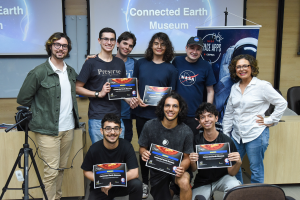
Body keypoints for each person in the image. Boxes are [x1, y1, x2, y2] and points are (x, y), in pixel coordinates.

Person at [17, 32, 80, 200]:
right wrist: (40, 112)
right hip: (47, 130)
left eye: (64, 46)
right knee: (51, 172)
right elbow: (23, 99)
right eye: (57, 45)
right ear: (50, 47)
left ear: (68, 49)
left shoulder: (71, 72)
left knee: (60, 169)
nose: (61, 48)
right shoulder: (38, 72)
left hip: (68, 129)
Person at [222, 54, 287, 183]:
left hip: (256, 134)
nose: (242, 69)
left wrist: (270, 120)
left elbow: (282, 103)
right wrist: (225, 134)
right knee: (234, 165)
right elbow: (229, 113)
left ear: (252, 68)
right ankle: (238, 192)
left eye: (245, 66)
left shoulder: (262, 86)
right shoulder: (234, 88)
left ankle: (256, 195)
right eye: (238, 67)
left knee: (256, 169)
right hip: (236, 135)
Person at [133, 32, 178, 198]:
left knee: (162, 151)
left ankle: (160, 184)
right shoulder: (141, 63)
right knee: (144, 150)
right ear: (151, 45)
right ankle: (145, 182)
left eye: (162, 44)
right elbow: (134, 84)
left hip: (162, 118)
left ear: (167, 48)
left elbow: (172, 94)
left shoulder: (171, 68)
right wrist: (137, 97)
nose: (159, 47)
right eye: (156, 43)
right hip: (142, 114)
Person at [76, 27, 138, 144]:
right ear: (99, 40)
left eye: (112, 40)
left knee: (117, 158)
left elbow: (121, 90)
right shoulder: (90, 62)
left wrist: (130, 101)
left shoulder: (119, 63)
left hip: (116, 118)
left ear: (115, 42)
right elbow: (77, 88)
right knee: (100, 158)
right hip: (97, 118)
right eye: (105, 39)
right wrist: (98, 94)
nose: (109, 42)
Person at [139, 91, 193, 200]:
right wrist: (143, 153)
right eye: (167, 105)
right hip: (158, 171)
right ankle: (172, 190)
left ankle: (176, 187)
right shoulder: (149, 126)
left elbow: (187, 158)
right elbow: (142, 147)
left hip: (177, 170)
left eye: (175, 106)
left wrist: (181, 167)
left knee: (184, 181)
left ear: (180, 109)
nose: (170, 109)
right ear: (162, 107)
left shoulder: (186, 131)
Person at [81, 113, 142, 200]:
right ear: (102, 131)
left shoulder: (126, 146)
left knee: (137, 184)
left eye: (116, 129)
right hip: (101, 186)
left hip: (121, 183)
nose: (112, 132)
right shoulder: (94, 149)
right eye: (108, 129)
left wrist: (112, 182)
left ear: (120, 131)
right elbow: (86, 171)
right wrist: (103, 182)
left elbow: (134, 173)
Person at [190, 103, 241, 200]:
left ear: (216, 118)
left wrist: (238, 162)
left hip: (223, 178)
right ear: (200, 121)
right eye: (202, 117)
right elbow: (193, 169)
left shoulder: (227, 141)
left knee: (234, 188)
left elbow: (231, 173)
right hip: (203, 181)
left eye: (210, 116)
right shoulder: (195, 140)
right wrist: (192, 161)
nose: (207, 120)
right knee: (197, 198)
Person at [172, 36, 216, 136]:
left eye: (198, 49)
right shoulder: (177, 61)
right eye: (192, 48)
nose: (194, 51)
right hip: (176, 113)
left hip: (195, 116)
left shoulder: (206, 66)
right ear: (186, 48)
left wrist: (206, 115)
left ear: (201, 51)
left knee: (191, 147)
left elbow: (210, 91)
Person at [116, 31, 137, 142]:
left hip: (127, 115)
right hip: (111, 112)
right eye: (125, 43)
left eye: (130, 46)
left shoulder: (135, 64)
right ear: (118, 43)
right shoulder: (108, 62)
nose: (127, 47)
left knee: (126, 145)